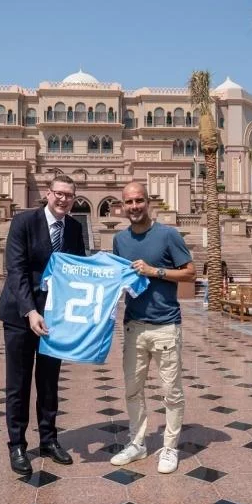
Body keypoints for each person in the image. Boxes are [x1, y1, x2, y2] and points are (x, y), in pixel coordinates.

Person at [0, 174, 86, 476]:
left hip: (54, 319)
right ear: (48, 194)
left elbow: (77, 271)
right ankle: (17, 445)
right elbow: (16, 269)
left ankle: (48, 439)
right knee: (18, 383)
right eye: (59, 193)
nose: (63, 199)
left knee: (49, 382)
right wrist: (30, 311)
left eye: (69, 195)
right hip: (21, 316)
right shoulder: (24, 222)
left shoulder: (74, 228)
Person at [111, 182, 195, 474]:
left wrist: (154, 271)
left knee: (171, 391)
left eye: (139, 200)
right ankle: (137, 443)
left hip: (165, 326)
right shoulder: (120, 240)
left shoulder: (168, 235)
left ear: (148, 202)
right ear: (123, 206)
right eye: (129, 202)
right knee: (133, 390)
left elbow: (190, 272)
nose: (134, 206)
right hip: (134, 326)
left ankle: (170, 447)